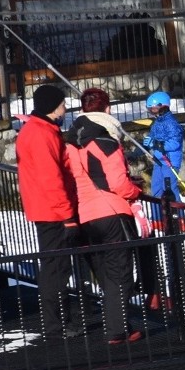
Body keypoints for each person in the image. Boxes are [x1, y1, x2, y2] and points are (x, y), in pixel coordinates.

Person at [63, 87, 145, 346]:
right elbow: (118, 183)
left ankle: (120, 327)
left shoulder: (71, 143)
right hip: (110, 211)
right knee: (121, 274)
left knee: (106, 275)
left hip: (85, 215)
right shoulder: (105, 141)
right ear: (107, 110)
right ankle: (118, 331)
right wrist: (136, 190)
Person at [15, 82, 80, 339]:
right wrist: (68, 215)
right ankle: (55, 326)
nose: (65, 109)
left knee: (55, 266)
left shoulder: (37, 130)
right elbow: (51, 179)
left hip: (44, 208)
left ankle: (59, 321)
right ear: (54, 108)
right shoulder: (42, 134)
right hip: (52, 211)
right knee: (55, 268)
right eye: (63, 104)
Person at [142, 90, 184, 201]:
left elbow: (175, 143)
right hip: (159, 161)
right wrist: (142, 147)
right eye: (150, 110)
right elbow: (151, 137)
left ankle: (178, 216)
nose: (153, 112)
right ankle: (157, 216)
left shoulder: (171, 123)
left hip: (169, 161)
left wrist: (157, 144)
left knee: (169, 189)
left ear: (163, 107)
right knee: (156, 188)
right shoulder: (157, 123)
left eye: (154, 109)